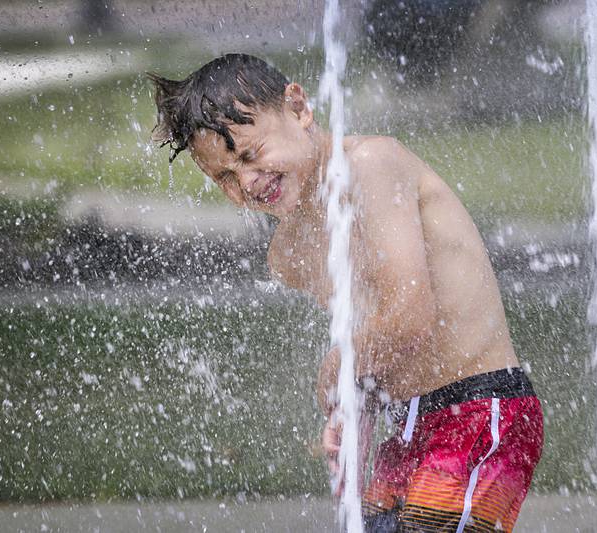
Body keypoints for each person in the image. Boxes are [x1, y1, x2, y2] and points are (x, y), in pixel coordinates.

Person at [148, 53, 543, 533]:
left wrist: (334, 368)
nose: (247, 182)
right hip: (407, 423)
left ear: (298, 108)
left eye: (251, 155)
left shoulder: (373, 165)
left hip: (481, 409)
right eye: (225, 177)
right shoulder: (289, 252)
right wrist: (351, 412)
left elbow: (409, 316)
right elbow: (375, 344)